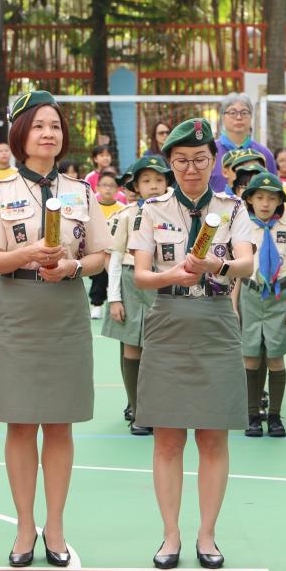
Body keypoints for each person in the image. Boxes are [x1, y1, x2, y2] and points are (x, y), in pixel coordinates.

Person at [0, 90, 113, 568]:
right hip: (17, 307)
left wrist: (72, 266)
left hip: (65, 309)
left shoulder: (82, 192)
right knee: (19, 421)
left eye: (54, 125)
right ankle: (23, 526)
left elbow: (100, 256)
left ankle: (55, 526)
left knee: (59, 421)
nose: (48, 134)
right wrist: (28, 254)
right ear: (20, 135)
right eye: (38, 126)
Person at [131, 118, 256, 570]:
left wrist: (214, 268)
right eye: (182, 161)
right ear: (170, 163)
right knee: (167, 438)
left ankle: (207, 535)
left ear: (214, 160)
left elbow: (246, 265)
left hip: (217, 320)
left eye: (200, 159)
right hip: (168, 320)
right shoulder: (152, 210)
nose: (191, 168)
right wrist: (171, 275)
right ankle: (170, 536)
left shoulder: (233, 208)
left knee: (213, 435)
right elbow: (141, 276)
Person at [103, 154, 171, 435]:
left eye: (159, 180)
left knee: (161, 348)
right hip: (131, 283)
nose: (153, 185)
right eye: (146, 181)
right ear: (135, 187)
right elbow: (115, 259)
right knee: (132, 345)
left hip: (164, 282)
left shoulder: (174, 213)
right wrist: (114, 298)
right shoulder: (126, 216)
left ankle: (157, 405)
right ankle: (137, 409)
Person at [237, 172, 286, 438]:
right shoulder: (242, 231)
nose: (265, 203)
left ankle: (275, 416)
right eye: (259, 197)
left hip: (279, 299)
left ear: (280, 201)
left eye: (271, 198)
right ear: (250, 200)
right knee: (250, 357)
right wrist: (233, 306)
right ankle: (252, 414)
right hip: (250, 295)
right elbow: (236, 274)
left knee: (276, 357)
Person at [211, 94, 275, 193]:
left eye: (244, 112)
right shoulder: (210, 151)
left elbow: (273, 191)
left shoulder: (264, 154)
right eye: (232, 112)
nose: (239, 117)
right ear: (223, 117)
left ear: (251, 117)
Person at [88, 171, 124, 319]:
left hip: (116, 250)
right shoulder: (93, 208)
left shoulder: (122, 208)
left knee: (117, 276)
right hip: (98, 250)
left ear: (117, 189)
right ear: (97, 188)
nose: (108, 189)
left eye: (111, 185)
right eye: (104, 185)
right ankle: (97, 305)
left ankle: (115, 302)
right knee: (99, 276)